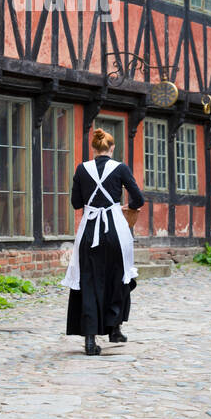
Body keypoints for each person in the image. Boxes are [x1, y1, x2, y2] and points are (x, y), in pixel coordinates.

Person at [61, 127, 146, 355]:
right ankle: (115, 328)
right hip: (115, 231)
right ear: (112, 148)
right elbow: (138, 198)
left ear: (93, 148)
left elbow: (76, 203)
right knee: (118, 278)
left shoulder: (82, 169)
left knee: (88, 282)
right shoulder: (121, 168)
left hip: (89, 231)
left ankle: (90, 340)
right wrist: (126, 207)